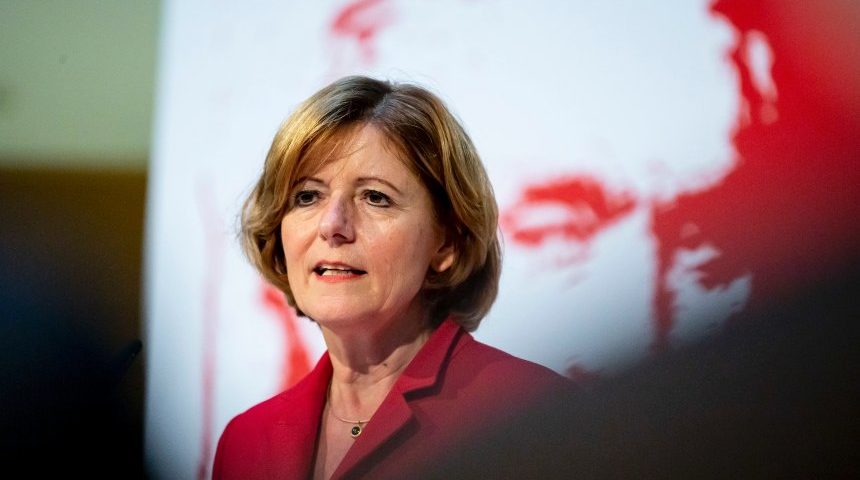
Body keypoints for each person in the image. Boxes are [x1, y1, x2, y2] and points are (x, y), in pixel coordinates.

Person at [212, 76, 573, 479]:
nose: (332, 226)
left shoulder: (531, 411)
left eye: (375, 197)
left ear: (446, 242)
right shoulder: (245, 442)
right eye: (307, 196)